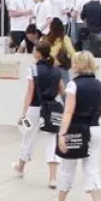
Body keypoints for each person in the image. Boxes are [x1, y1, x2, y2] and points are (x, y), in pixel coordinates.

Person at [53, 51, 101, 201]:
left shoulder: (72, 85)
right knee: (91, 168)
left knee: (67, 167)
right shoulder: (99, 85)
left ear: (77, 65)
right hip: (94, 129)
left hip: (75, 129)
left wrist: (62, 133)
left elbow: (68, 111)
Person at [12, 40, 62, 188]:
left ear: (39, 53)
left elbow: (30, 92)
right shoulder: (56, 70)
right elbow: (62, 89)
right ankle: (52, 177)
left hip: (35, 108)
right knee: (51, 140)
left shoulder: (33, 69)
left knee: (28, 136)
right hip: (52, 108)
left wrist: (23, 113)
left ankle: (20, 167)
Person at [46, 20, 77, 87]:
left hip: (47, 67)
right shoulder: (64, 38)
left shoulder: (45, 38)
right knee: (67, 88)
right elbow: (72, 53)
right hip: (60, 67)